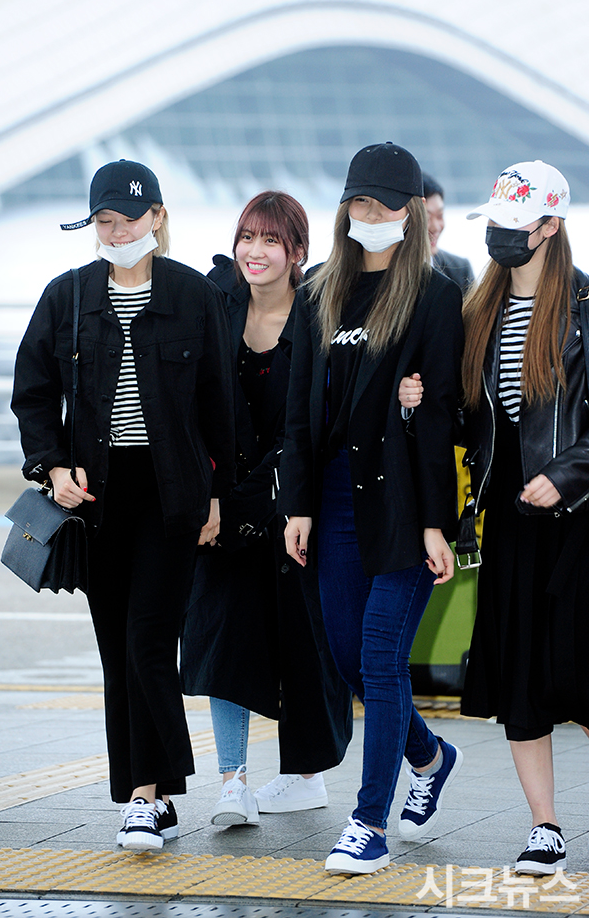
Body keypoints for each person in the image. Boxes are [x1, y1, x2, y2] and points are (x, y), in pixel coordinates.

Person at [11, 159, 235, 852]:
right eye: (104, 221)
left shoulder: (193, 294)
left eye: (128, 219)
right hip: (97, 496)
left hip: (172, 494)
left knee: (147, 640)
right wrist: (52, 467)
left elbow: (220, 404)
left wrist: (219, 494)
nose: (116, 232)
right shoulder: (68, 296)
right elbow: (34, 392)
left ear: (157, 217)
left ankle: (145, 797)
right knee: (119, 649)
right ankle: (152, 795)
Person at [279, 143, 465, 875]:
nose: (372, 214)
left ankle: (368, 823)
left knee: (382, 659)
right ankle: (430, 756)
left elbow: (443, 414)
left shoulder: (434, 295)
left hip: (402, 506)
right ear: (345, 207)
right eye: (361, 201)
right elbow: (299, 411)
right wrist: (297, 504)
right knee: (352, 662)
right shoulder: (319, 289)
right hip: (331, 501)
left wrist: (435, 523)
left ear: (411, 212)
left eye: (387, 204)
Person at [400, 160, 589, 876]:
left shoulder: (583, 306)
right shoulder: (476, 308)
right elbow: (465, 417)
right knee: (522, 677)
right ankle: (545, 826)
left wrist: (566, 476)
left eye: (517, 224)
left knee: (577, 669)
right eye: (496, 223)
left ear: (551, 226)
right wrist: (420, 401)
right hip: (508, 515)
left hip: (577, 516)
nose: (501, 236)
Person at [180, 191, 353, 826]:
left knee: (302, 643)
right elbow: (192, 402)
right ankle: (233, 782)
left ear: (297, 251)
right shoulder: (216, 303)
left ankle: (306, 776)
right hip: (222, 507)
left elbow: (323, 417)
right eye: (247, 237)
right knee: (223, 637)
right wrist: (208, 497)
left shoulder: (319, 315)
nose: (255, 252)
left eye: (271, 241)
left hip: (293, 509)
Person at [423, 173, 474, 293]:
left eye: (440, 216)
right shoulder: (385, 268)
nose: (435, 227)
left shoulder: (460, 270)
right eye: (426, 218)